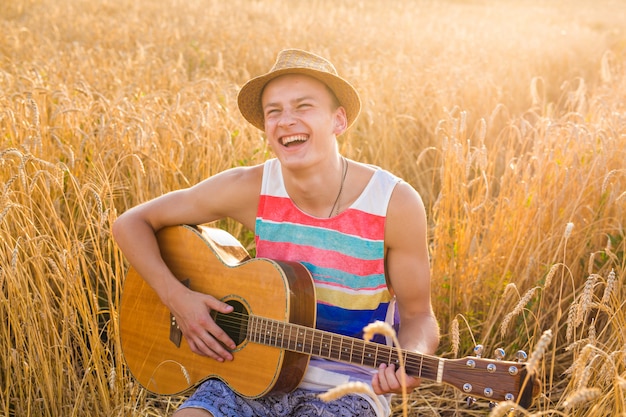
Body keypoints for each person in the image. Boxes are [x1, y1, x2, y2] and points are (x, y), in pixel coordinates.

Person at [112, 49, 440, 417]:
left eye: (303, 107)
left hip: (348, 387)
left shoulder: (393, 203)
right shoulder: (250, 188)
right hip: (247, 372)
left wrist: (413, 359)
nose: (286, 121)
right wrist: (179, 299)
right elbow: (130, 223)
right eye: (274, 111)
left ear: (338, 120)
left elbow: (418, 316)